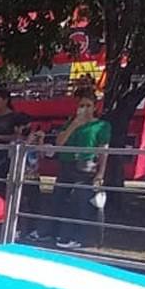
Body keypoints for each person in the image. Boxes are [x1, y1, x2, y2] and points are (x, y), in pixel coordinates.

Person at [51, 88, 110, 250]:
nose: (84, 109)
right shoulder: (71, 122)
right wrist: (74, 125)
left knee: (81, 202)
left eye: (88, 105)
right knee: (59, 199)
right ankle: (56, 232)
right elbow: (60, 142)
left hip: (86, 167)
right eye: (81, 105)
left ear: (94, 107)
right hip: (66, 165)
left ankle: (80, 237)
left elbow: (103, 150)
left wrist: (100, 173)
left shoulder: (101, 125)